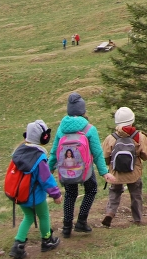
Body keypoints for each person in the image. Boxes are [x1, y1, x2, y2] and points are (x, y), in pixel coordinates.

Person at [48, 93, 108, 237]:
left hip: (66, 170)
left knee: (70, 194)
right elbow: (97, 153)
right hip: (85, 170)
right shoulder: (89, 129)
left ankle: (67, 227)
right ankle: (81, 221)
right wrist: (104, 172)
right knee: (91, 190)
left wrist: (48, 169)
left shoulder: (61, 129)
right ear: (83, 111)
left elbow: (54, 152)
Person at [9, 121, 62, 258]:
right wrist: (56, 194)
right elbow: (46, 179)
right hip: (35, 196)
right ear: (43, 137)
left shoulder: (18, 151)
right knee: (43, 216)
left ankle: (18, 245)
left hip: (20, 194)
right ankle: (47, 240)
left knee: (28, 217)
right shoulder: (39, 157)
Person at [101, 107, 147, 227]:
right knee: (136, 194)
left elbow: (105, 157)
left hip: (116, 173)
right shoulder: (139, 136)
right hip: (134, 173)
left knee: (114, 192)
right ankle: (137, 219)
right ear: (132, 120)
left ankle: (110, 213)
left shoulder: (111, 138)